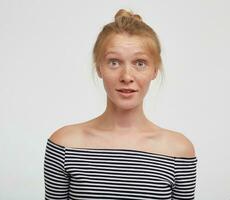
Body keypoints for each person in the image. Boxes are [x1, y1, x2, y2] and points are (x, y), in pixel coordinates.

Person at [44, 9, 198, 200]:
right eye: (114, 62)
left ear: (154, 70)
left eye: (140, 63)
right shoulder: (64, 145)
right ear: (99, 68)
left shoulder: (179, 151)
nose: (126, 77)